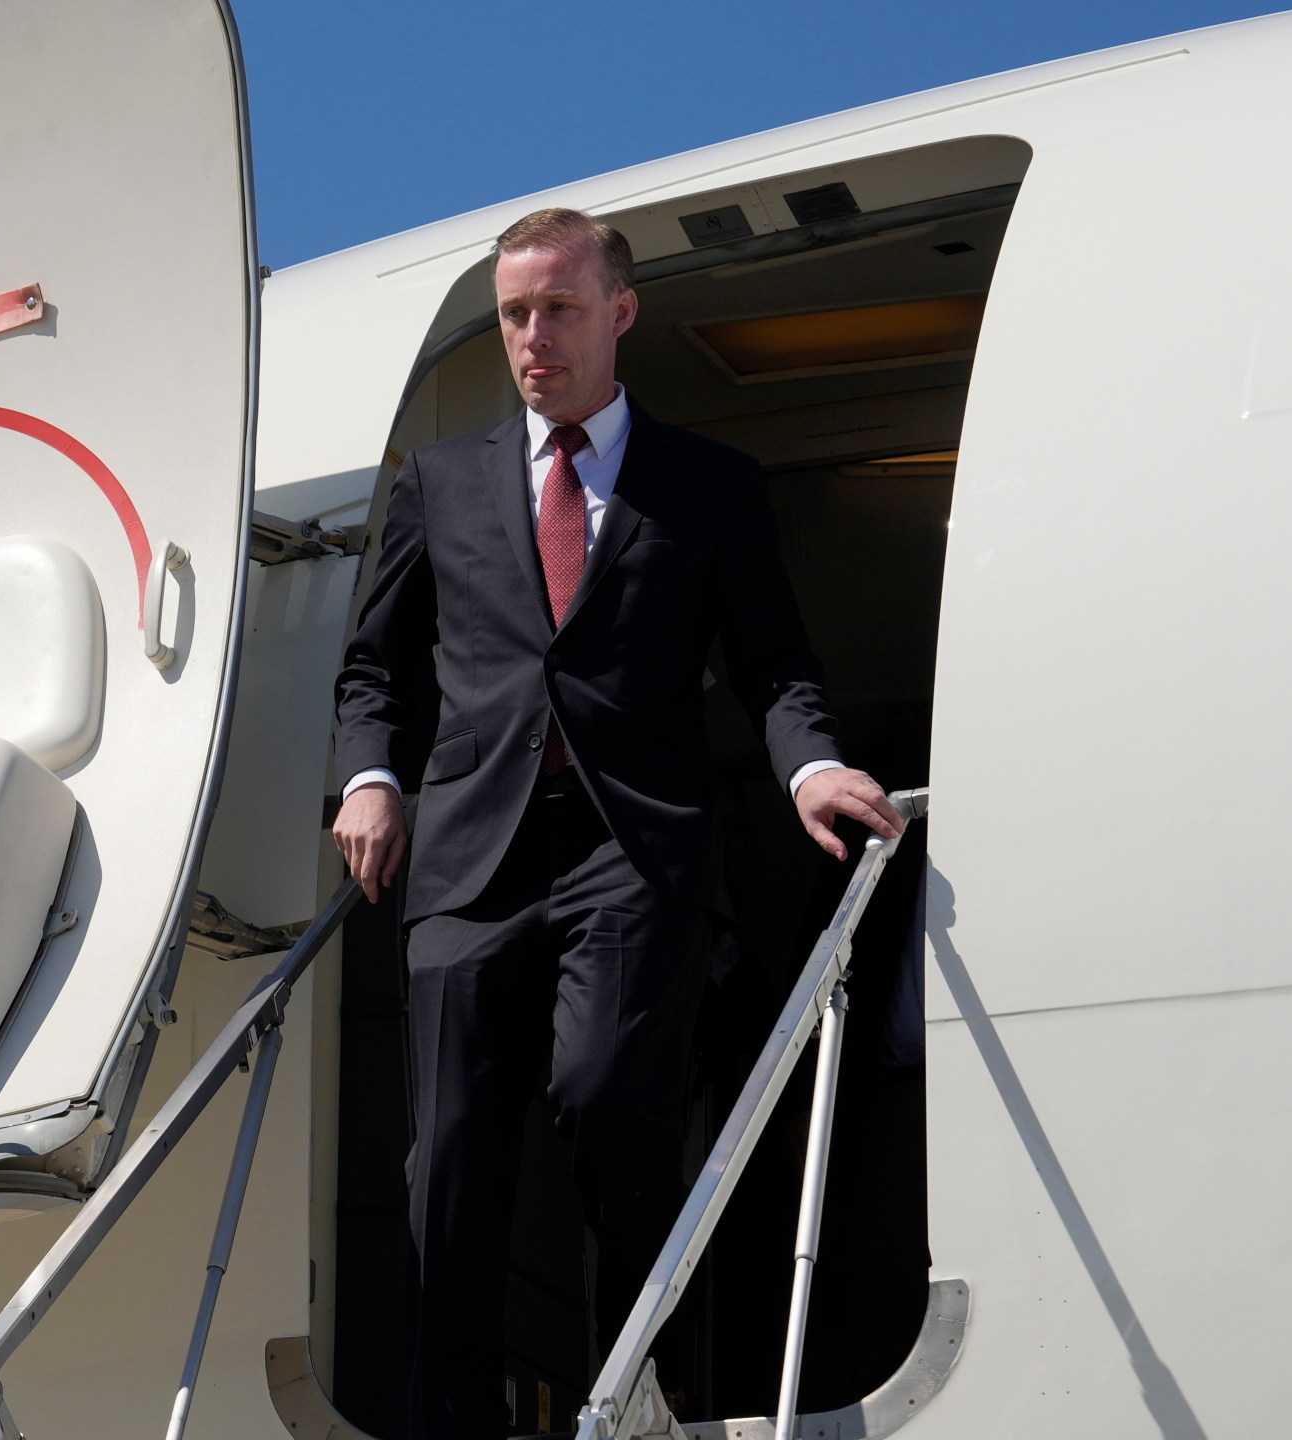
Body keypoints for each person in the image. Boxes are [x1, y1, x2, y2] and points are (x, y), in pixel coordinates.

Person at [329, 207, 902, 1438]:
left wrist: (809, 771)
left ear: (619, 314)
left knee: (606, 1096)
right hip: (470, 859)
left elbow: (777, 667)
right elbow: (374, 670)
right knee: (447, 1153)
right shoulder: (437, 483)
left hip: (630, 849)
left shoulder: (708, 486)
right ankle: (452, 1416)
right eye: (514, 315)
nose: (532, 338)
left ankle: (640, 1384)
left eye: (558, 311)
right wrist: (369, 779)